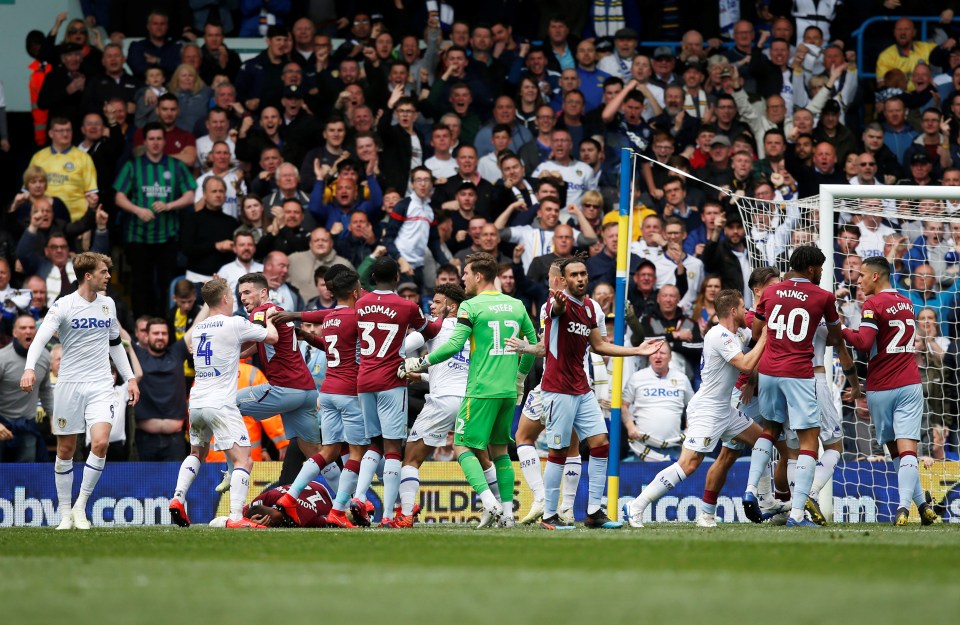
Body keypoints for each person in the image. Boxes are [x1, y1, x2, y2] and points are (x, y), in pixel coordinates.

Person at [401, 253, 537, 528]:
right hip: (508, 391)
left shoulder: (471, 307)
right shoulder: (516, 304)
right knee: (499, 452)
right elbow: (533, 346)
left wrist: (422, 360)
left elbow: (452, 346)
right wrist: (520, 379)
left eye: (465, 273)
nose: (462, 278)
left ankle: (489, 503)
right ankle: (508, 515)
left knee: (462, 445)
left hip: (479, 390)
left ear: (478, 276)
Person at [625, 289, 768, 527]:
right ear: (733, 311)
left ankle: (766, 500)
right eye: (743, 308)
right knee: (689, 464)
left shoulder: (737, 333)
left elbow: (754, 330)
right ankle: (637, 505)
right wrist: (765, 337)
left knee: (763, 441)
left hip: (725, 409)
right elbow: (745, 364)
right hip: (708, 410)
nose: (746, 312)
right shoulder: (719, 335)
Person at [20, 252, 139, 530]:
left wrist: (130, 378)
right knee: (66, 448)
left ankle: (80, 506)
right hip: (69, 385)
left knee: (100, 442)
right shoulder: (63, 306)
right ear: (88, 276)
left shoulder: (108, 305)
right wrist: (29, 368)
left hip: (100, 384)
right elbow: (40, 339)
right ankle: (64, 514)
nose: (109, 276)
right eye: (103, 272)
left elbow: (114, 344)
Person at [741, 246, 842, 527]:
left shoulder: (771, 292)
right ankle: (798, 513)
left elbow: (756, 330)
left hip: (769, 371)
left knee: (770, 429)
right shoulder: (823, 296)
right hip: (799, 373)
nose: (821, 273)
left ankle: (750, 490)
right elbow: (835, 337)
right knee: (809, 441)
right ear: (811, 269)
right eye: (820, 268)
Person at [167, 278, 279, 530]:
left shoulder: (198, 329)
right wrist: (269, 317)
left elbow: (233, 347)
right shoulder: (235, 323)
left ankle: (177, 497)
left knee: (196, 452)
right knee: (243, 460)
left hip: (196, 401)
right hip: (221, 403)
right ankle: (236, 515)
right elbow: (271, 337)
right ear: (226, 299)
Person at [341, 257, 443, 527]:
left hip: (364, 379)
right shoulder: (407, 306)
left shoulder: (360, 303)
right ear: (397, 278)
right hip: (391, 381)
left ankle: (360, 496)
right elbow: (430, 330)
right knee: (393, 447)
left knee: (373, 444)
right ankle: (388, 514)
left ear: (373, 278)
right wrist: (444, 320)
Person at [841, 257, 941, 526]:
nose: (858, 280)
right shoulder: (907, 302)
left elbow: (863, 342)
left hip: (881, 387)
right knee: (907, 450)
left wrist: (839, 328)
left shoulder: (873, 304)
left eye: (862, 275)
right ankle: (920, 505)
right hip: (910, 383)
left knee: (896, 451)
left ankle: (901, 508)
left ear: (875, 277)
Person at [270, 266, 369, 528]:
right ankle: (339, 510)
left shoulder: (332, 318)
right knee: (357, 452)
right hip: (350, 392)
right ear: (356, 291)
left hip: (327, 393)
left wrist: (305, 330)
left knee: (329, 451)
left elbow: (330, 345)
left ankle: (290, 496)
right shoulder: (357, 317)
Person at [235, 272, 323, 482]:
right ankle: (344, 504)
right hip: (307, 391)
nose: (243, 298)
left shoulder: (261, 312)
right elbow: (261, 342)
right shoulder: (280, 312)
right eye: (240, 294)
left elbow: (255, 335)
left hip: (285, 389)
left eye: (247, 292)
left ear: (263, 292)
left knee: (226, 405)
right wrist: (237, 356)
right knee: (316, 454)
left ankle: (235, 467)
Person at [395, 283, 470, 527]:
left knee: (412, 459)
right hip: (471, 400)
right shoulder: (473, 331)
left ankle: (406, 513)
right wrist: (424, 376)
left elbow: (400, 348)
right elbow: (457, 370)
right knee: (486, 457)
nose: (432, 306)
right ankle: (502, 511)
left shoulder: (435, 327)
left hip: (442, 401)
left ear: (453, 306)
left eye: (438, 302)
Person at [114, 122, 196, 317]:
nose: (156, 143)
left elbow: (190, 196)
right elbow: (119, 197)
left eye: (159, 138)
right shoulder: (133, 166)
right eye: (151, 139)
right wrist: (137, 210)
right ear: (145, 141)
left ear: (164, 141)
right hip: (138, 236)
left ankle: (165, 323)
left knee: (165, 285)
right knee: (140, 284)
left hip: (167, 237)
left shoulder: (176, 165)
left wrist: (170, 205)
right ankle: (142, 325)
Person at [622, 342, 693, 462]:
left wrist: (689, 427)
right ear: (649, 356)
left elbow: (694, 406)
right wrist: (630, 427)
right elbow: (623, 405)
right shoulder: (637, 377)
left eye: (662, 353)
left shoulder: (682, 378)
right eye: (654, 352)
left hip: (673, 446)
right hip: (643, 446)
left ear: (670, 357)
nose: (658, 356)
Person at [0, 315, 54, 462]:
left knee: (25, 473)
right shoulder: (2, 358)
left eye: (32, 327)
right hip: (2, 422)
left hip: (27, 425)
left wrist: (53, 416)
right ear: (14, 333)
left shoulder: (44, 357)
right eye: (23, 328)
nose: (28, 331)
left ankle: (22, 487)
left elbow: (45, 389)